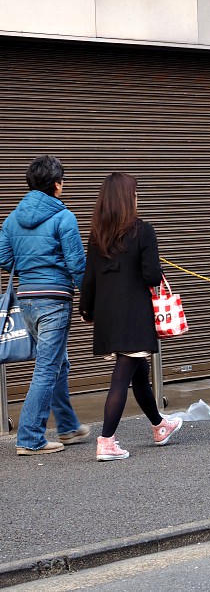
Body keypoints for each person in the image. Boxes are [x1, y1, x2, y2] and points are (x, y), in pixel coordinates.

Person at [79, 173, 182, 461]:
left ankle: (160, 426)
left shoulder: (98, 235)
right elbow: (151, 275)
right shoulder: (143, 231)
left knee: (139, 374)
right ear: (128, 198)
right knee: (123, 374)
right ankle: (106, 440)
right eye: (135, 193)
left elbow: (90, 278)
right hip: (134, 316)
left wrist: (86, 309)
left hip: (109, 316)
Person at [0, 156, 89, 455]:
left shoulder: (12, 219)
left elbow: (3, 258)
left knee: (57, 363)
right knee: (48, 367)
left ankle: (67, 426)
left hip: (27, 300)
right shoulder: (64, 217)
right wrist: (89, 295)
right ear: (56, 184)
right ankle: (30, 438)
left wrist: (29, 267)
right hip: (54, 299)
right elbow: (77, 263)